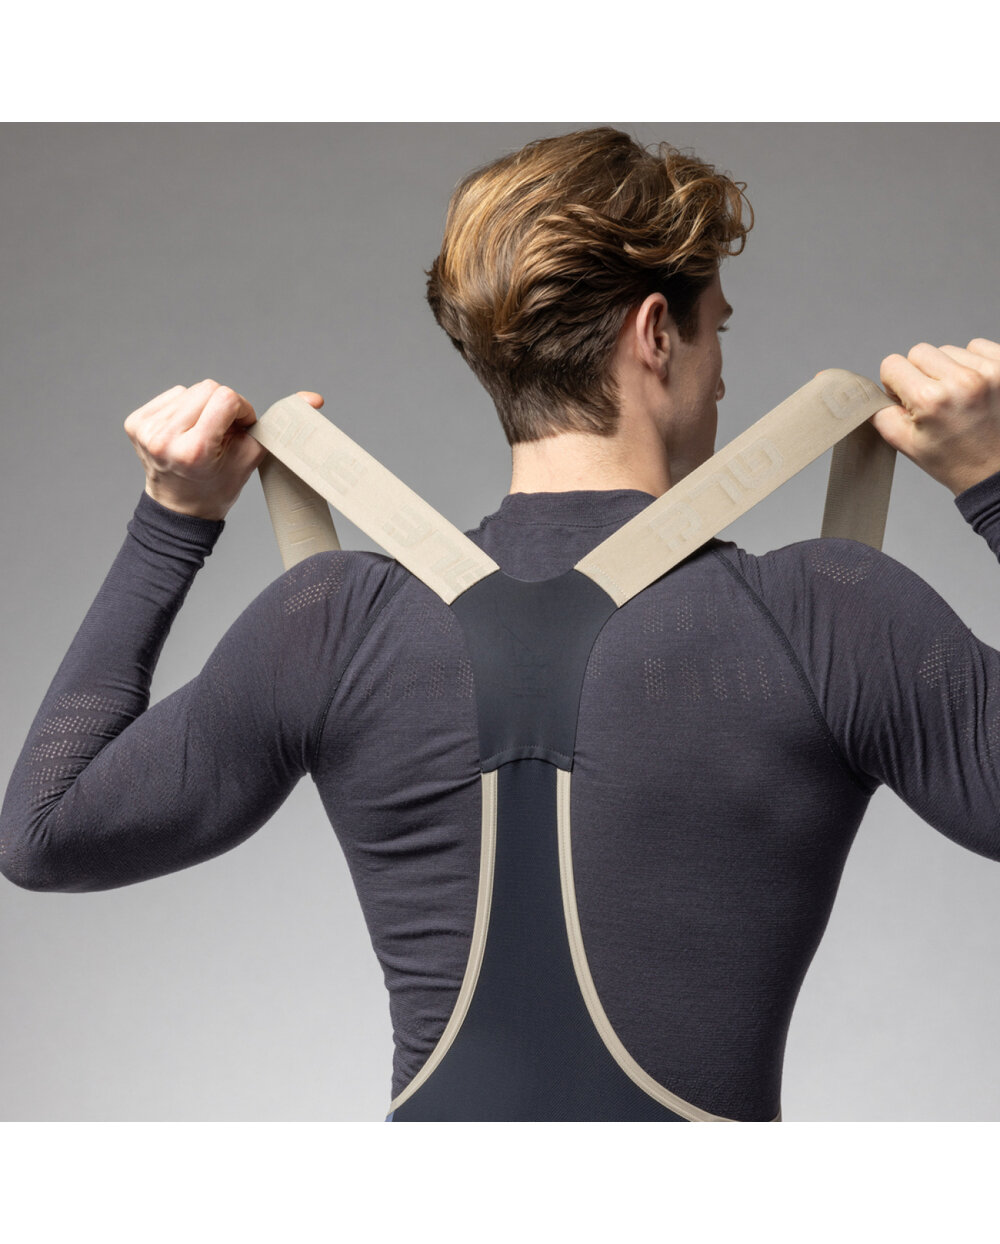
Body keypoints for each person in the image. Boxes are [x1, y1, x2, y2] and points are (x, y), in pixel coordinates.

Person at [2, 127, 999, 1121]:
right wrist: (992, 479)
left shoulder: (337, 623)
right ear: (655, 332)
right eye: (717, 332)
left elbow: (44, 832)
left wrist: (172, 520)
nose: (724, 377)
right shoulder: (824, 613)